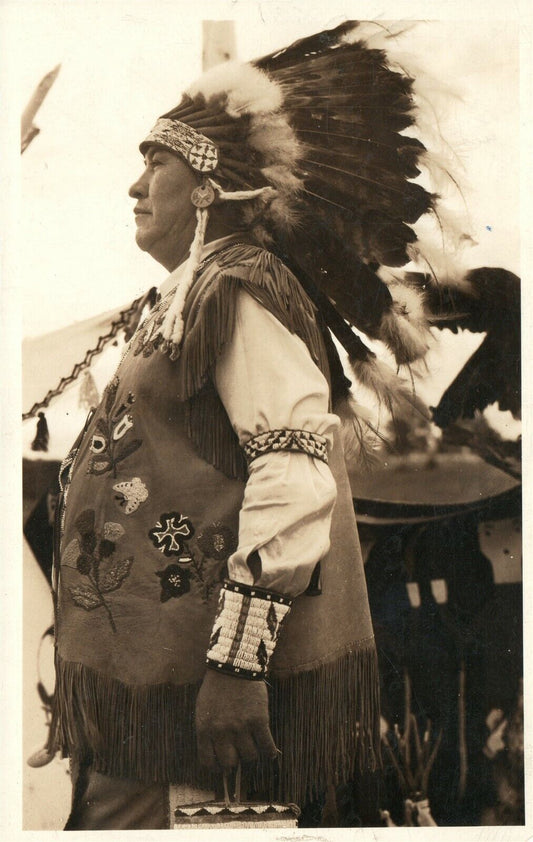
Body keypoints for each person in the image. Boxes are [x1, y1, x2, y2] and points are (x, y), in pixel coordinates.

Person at [49, 22, 437, 829]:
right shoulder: (180, 301)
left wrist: (237, 663)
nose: (133, 186)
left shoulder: (240, 287)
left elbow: (294, 470)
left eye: (153, 161)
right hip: (151, 695)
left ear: (206, 187)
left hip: (200, 698)